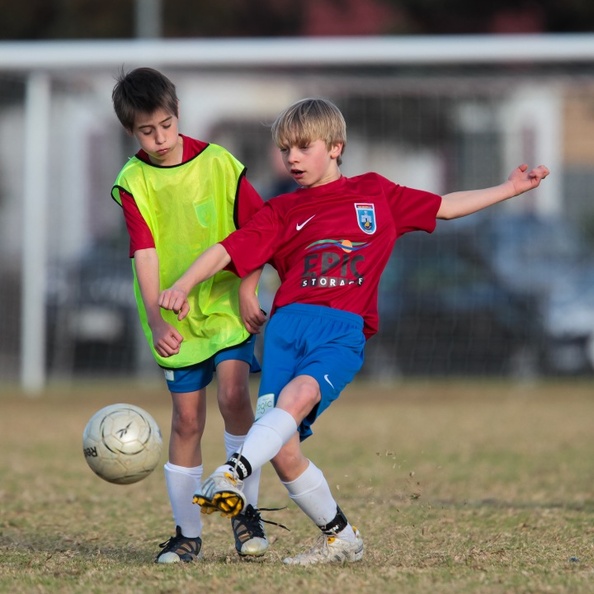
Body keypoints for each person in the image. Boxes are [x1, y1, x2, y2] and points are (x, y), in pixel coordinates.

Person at [157, 97, 550, 565]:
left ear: (336, 147)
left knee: (296, 397)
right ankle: (340, 537)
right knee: (283, 451)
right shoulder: (283, 210)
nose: (292, 159)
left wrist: (508, 189)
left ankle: (232, 471)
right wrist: (184, 284)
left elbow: (443, 206)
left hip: (340, 330)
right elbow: (229, 250)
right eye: (286, 150)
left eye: (304, 148)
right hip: (285, 330)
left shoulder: (376, 194)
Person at [110, 67, 269, 563]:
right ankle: (187, 534)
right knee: (185, 421)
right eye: (146, 130)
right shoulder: (133, 181)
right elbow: (146, 253)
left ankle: (246, 514)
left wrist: (248, 290)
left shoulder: (221, 163)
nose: (159, 138)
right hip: (174, 319)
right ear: (131, 132)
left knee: (235, 394)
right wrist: (158, 322)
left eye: (166, 124)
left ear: (178, 115)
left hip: (224, 307)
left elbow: (258, 230)